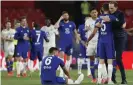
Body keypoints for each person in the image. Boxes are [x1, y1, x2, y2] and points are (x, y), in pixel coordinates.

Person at [87, 3, 118, 84]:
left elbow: (94, 33)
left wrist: (88, 40)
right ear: (109, 9)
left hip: (101, 41)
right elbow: (119, 23)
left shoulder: (98, 19)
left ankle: (99, 80)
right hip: (109, 41)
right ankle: (110, 80)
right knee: (110, 61)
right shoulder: (112, 17)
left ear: (103, 9)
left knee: (101, 61)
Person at [55, 11, 79, 77]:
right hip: (62, 43)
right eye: (64, 15)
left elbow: (75, 32)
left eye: (67, 15)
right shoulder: (61, 23)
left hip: (70, 43)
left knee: (69, 58)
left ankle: (66, 72)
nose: (66, 16)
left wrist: (77, 38)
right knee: (61, 56)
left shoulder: (72, 23)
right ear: (63, 16)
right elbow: (55, 27)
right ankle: (61, 73)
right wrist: (60, 19)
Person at [108, 1, 127, 84]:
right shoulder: (108, 14)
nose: (110, 10)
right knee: (110, 59)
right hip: (110, 38)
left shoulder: (120, 14)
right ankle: (112, 78)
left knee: (118, 58)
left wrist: (112, 21)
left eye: (112, 8)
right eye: (109, 8)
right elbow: (118, 24)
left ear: (116, 7)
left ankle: (124, 79)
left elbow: (120, 23)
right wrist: (116, 22)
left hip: (120, 38)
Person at [85, 7, 99, 83]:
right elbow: (86, 28)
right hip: (90, 43)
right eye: (93, 12)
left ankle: (101, 77)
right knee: (91, 59)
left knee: (101, 60)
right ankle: (94, 77)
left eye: (95, 12)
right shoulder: (88, 21)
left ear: (97, 13)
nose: (94, 13)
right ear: (90, 14)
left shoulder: (100, 20)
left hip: (98, 41)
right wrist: (87, 28)